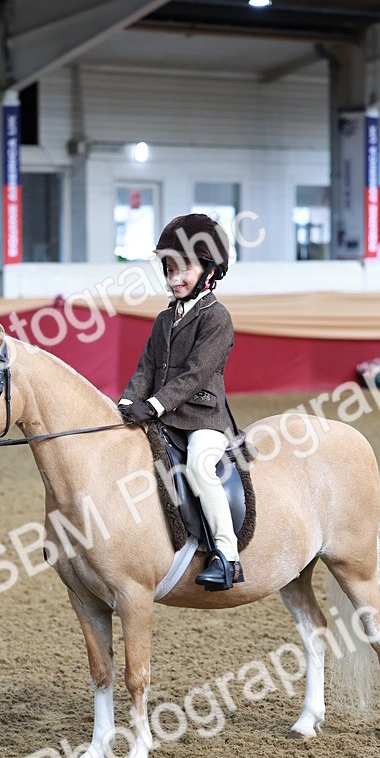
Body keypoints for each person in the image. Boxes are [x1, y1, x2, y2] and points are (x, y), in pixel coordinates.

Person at [118, 213, 244, 591]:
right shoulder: (163, 319)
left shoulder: (217, 318)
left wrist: (154, 406)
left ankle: (228, 557)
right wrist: (127, 402)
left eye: (184, 268)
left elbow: (195, 375)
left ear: (209, 269)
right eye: (169, 268)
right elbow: (146, 367)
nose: (175, 277)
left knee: (203, 468)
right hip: (164, 418)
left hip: (203, 418)